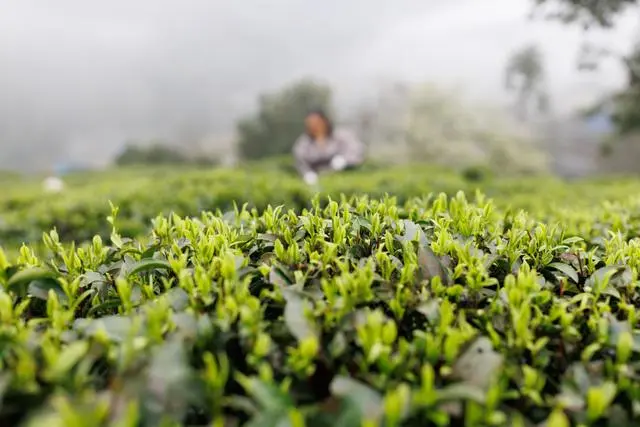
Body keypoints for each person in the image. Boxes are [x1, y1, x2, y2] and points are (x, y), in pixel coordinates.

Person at [292, 109, 365, 185]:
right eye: (310, 123)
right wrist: (307, 174)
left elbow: (357, 150)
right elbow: (300, 162)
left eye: (317, 122)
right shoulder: (304, 143)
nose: (314, 126)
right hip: (318, 181)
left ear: (325, 121)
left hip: (343, 178)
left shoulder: (341, 136)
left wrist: (345, 160)